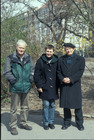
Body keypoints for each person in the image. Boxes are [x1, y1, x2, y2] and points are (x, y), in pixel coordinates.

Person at [4, 39, 34, 135]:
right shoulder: (10, 58)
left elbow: (32, 70)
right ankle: (13, 126)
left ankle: (23, 123)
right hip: (15, 87)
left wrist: (30, 80)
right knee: (13, 109)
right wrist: (13, 81)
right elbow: (7, 72)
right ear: (16, 47)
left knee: (25, 107)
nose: (21, 49)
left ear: (25, 48)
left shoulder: (29, 58)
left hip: (26, 87)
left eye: (23, 48)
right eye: (20, 47)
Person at [57, 43, 85, 131]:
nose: (68, 50)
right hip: (64, 84)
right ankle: (66, 122)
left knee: (77, 105)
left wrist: (71, 79)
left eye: (70, 49)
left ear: (73, 49)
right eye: (66, 49)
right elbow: (58, 71)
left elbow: (80, 71)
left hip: (74, 84)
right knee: (66, 105)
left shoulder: (80, 59)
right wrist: (62, 79)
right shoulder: (61, 59)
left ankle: (79, 123)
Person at [34, 44, 59, 130]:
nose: (49, 53)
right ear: (45, 51)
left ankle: (51, 122)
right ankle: (45, 122)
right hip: (44, 86)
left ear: (53, 51)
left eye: (50, 51)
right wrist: (39, 86)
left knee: (52, 105)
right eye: (47, 51)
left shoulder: (57, 60)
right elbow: (37, 75)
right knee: (46, 105)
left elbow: (59, 73)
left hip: (54, 87)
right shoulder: (40, 61)